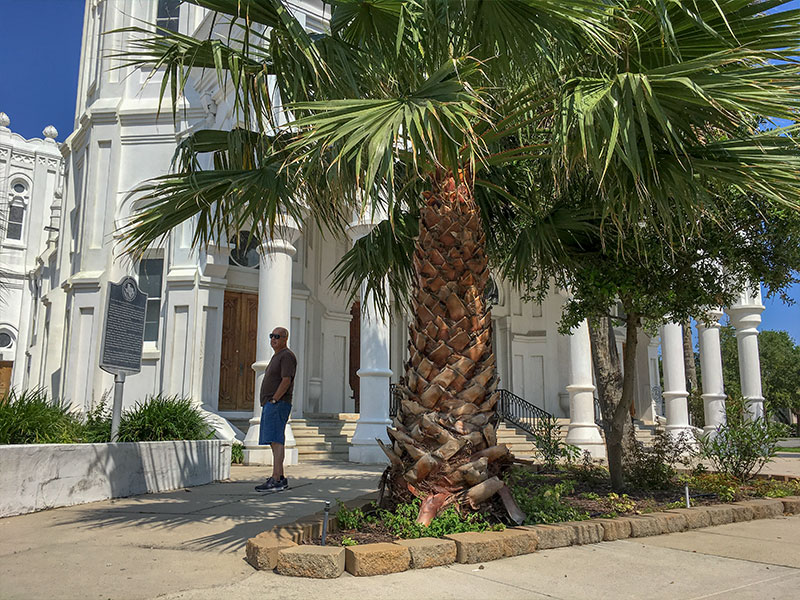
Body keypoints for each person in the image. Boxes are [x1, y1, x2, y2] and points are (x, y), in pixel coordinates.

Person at [254, 327, 297, 493]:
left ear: (285, 338)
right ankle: (279, 476)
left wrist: (274, 399)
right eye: (271, 336)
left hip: (277, 404)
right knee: (274, 441)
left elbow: (286, 380)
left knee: (277, 441)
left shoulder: (286, 356)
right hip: (271, 404)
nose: (273, 339)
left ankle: (276, 478)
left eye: (277, 336)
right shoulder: (277, 356)